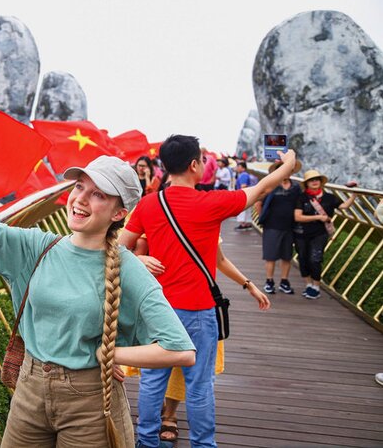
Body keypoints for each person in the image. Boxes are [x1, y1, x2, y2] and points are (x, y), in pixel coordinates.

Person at [0, 127, 196, 447]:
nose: (80, 199)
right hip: (29, 389)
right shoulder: (37, 246)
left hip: (89, 400)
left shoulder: (128, 269)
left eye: (98, 194)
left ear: (119, 213)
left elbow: (180, 350)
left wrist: (110, 353)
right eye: (80, 186)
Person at [119, 134, 296, 448]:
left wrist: (139, 258)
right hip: (199, 311)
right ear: (194, 165)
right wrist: (289, 159)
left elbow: (116, 249)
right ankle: (202, 444)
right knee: (199, 386)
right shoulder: (212, 202)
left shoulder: (149, 204)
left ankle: (146, 442)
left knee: (152, 382)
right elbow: (264, 187)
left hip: (157, 309)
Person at [131, 242, 270, 443]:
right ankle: (185, 434)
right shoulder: (153, 211)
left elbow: (218, 258)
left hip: (177, 305)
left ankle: (161, 425)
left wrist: (248, 284)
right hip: (174, 304)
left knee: (156, 378)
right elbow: (124, 250)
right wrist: (137, 259)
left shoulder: (200, 214)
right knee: (191, 380)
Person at [294, 170, 357, 299]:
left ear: (321, 182)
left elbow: (344, 206)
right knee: (303, 258)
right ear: (306, 183)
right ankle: (308, 285)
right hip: (302, 233)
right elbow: (298, 217)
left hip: (320, 233)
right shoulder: (301, 197)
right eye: (312, 180)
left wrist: (354, 195)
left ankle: (316, 287)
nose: (315, 181)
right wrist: (318, 217)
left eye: (317, 179)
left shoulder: (329, 197)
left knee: (315, 259)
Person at [255, 160, 303, 294]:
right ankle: (269, 281)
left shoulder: (296, 187)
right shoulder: (271, 186)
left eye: (288, 169)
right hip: (272, 226)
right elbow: (258, 203)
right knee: (270, 256)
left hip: (289, 227)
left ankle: (284, 281)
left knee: (286, 256)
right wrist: (263, 219)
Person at [234, 162, 254, 230]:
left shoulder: (243, 175)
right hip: (248, 195)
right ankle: (247, 224)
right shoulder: (246, 174)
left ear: (243, 168)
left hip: (243, 195)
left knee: (242, 210)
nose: (237, 168)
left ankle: (243, 224)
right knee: (247, 210)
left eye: (238, 166)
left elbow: (243, 186)